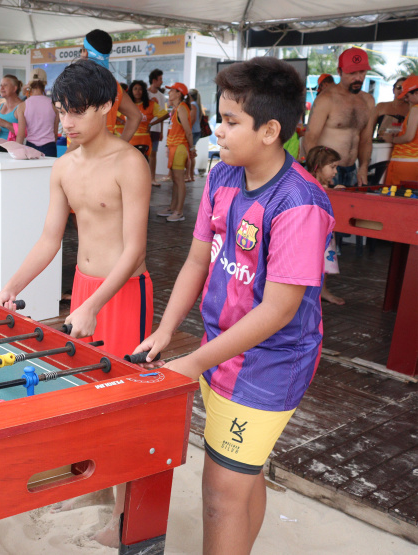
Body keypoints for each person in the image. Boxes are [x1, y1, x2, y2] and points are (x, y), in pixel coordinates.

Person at [134, 57, 334, 555]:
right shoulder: (223, 176)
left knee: (221, 494)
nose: (216, 131)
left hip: (269, 362)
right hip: (220, 348)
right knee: (243, 476)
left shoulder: (299, 203)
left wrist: (194, 361)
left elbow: (278, 311)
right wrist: (165, 330)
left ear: (270, 130)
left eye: (229, 122)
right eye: (217, 118)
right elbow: (197, 260)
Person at [0, 59, 152, 548]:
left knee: (125, 404)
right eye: (63, 112)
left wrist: (94, 304)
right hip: (84, 288)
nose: (67, 123)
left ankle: (125, 515)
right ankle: (90, 482)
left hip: (123, 292)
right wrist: (11, 286)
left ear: (107, 106)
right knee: (82, 391)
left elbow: (135, 250)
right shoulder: (63, 166)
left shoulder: (130, 162)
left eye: (77, 112)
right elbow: (49, 238)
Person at [306, 48, 375, 187]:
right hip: (327, 171)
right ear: (339, 71)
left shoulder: (368, 101)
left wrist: (363, 167)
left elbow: (366, 139)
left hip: (352, 170)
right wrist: (317, 172)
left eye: (362, 72)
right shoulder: (326, 99)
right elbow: (310, 138)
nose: (358, 78)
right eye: (352, 73)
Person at [80, 29, 141, 142]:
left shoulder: (80, 82)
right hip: (107, 154)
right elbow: (136, 116)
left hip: (80, 155)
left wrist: (65, 157)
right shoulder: (114, 84)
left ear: (86, 53)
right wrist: (120, 146)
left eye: (83, 49)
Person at [306, 145, 345, 305]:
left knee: (325, 263)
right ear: (318, 166)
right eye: (332, 167)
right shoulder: (308, 184)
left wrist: (338, 194)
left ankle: (322, 290)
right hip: (310, 234)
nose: (335, 172)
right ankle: (306, 293)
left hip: (325, 233)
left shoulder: (328, 186)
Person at [158, 82, 194, 222]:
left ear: (179, 93)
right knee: (175, 180)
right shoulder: (176, 109)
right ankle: (173, 208)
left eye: (172, 90)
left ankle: (179, 212)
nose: (169, 93)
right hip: (175, 147)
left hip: (180, 147)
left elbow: (188, 132)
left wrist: (191, 149)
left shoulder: (182, 109)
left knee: (179, 180)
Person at [381, 75, 418, 186]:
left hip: (406, 161)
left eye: (407, 96)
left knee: (397, 197)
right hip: (412, 162)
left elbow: (408, 137)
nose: (406, 100)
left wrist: (391, 139)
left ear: (416, 93)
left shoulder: (416, 109)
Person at [127, 80, 168, 161]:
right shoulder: (127, 104)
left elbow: (166, 115)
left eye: (140, 89)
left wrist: (151, 124)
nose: (137, 91)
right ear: (131, 91)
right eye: (135, 89)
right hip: (129, 139)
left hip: (144, 140)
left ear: (144, 91)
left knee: (143, 163)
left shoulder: (150, 104)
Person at [21, 79, 59, 157]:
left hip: (30, 146)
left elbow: (21, 134)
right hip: (49, 146)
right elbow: (55, 133)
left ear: (29, 86)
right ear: (44, 85)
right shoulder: (53, 104)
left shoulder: (23, 105)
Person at [0, 74, 25, 151]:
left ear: (14, 88)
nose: (1, 88)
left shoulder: (21, 106)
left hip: (10, 148)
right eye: (1, 85)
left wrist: (4, 123)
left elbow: (22, 133)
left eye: (5, 85)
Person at [148, 69, 167, 185]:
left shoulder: (161, 96)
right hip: (144, 129)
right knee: (143, 154)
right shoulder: (145, 93)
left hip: (155, 129)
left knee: (153, 153)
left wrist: (161, 131)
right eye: (160, 79)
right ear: (154, 80)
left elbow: (163, 114)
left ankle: (152, 178)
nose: (161, 82)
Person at [188, 88, 204, 180]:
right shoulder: (196, 105)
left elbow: (192, 120)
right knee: (192, 153)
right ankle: (191, 175)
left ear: (190, 96)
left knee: (191, 154)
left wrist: (187, 131)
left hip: (193, 132)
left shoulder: (193, 105)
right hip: (196, 131)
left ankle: (190, 175)